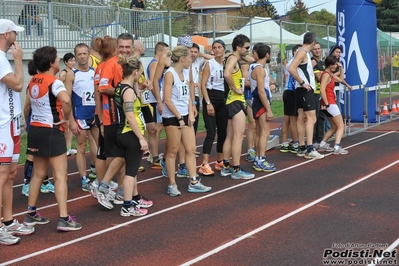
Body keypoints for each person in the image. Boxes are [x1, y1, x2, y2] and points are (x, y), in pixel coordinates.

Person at [24, 46, 82, 231]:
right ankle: (64, 218)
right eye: (56, 58)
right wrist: (66, 118)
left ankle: (31, 213)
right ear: (51, 62)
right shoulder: (54, 82)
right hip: (52, 131)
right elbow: (66, 100)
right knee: (60, 175)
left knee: (38, 175)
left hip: (36, 130)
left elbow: (27, 106)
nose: (59, 60)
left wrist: (29, 123)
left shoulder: (33, 80)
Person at [0, 19, 34, 246]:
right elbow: (19, 85)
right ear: (5, 34)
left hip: (10, 123)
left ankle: (9, 221)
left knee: (12, 173)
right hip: (1, 124)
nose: (16, 36)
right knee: (2, 175)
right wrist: (19, 61)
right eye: (14, 32)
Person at [94, 33, 136, 209]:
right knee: (120, 155)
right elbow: (102, 88)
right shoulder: (110, 64)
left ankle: (119, 191)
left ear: (132, 48)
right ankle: (103, 187)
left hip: (126, 116)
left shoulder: (130, 64)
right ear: (116, 48)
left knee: (122, 156)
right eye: (122, 47)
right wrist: (124, 91)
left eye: (128, 47)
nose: (125, 50)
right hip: (112, 116)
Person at [163, 46, 211, 196]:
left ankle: (194, 181)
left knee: (190, 149)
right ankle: (172, 184)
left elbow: (189, 95)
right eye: (189, 57)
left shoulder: (186, 71)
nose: (192, 60)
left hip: (185, 114)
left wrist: (190, 112)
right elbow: (168, 100)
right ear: (182, 59)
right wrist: (178, 117)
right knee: (173, 152)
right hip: (172, 116)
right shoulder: (169, 74)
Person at [114, 55, 152, 216]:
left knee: (132, 170)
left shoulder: (121, 87)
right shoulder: (128, 92)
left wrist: (137, 84)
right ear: (135, 72)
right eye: (140, 73)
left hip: (123, 132)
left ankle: (133, 200)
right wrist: (141, 138)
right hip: (130, 134)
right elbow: (130, 115)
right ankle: (127, 206)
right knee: (131, 172)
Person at [220, 34, 255, 180]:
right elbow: (227, 74)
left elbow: (252, 60)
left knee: (230, 135)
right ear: (238, 47)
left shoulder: (233, 57)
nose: (248, 50)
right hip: (235, 100)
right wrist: (235, 88)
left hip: (231, 101)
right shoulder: (233, 59)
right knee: (239, 136)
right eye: (246, 47)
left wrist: (239, 53)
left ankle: (226, 166)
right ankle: (236, 169)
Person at [65, 43, 98, 192]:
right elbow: (67, 98)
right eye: (79, 54)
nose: (82, 56)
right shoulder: (72, 73)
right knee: (81, 147)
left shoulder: (95, 72)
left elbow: (98, 95)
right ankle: (84, 178)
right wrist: (71, 120)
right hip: (80, 116)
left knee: (98, 145)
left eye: (85, 53)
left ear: (89, 54)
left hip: (95, 115)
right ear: (75, 56)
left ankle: (98, 174)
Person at [288, 32, 324, 160]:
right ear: (313, 42)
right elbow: (291, 68)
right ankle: (309, 148)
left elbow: (291, 66)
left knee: (302, 117)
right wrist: (303, 82)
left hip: (301, 89)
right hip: (304, 89)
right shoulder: (302, 52)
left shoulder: (302, 52)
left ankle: (302, 147)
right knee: (311, 118)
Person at [22, 60, 55, 197]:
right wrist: (26, 122)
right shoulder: (33, 84)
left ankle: (44, 181)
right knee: (32, 154)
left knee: (43, 154)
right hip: (35, 122)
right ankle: (26, 183)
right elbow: (27, 106)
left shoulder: (44, 82)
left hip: (44, 123)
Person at [199, 40, 227, 176]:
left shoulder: (228, 63)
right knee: (211, 132)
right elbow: (203, 84)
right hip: (211, 96)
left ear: (224, 49)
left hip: (224, 98)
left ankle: (219, 161)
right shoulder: (210, 64)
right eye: (214, 48)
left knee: (223, 132)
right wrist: (208, 102)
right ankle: (204, 164)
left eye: (219, 47)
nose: (217, 50)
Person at [248, 43, 276, 172]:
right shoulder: (259, 69)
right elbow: (260, 91)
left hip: (257, 102)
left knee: (260, 132)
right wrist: (268, 109)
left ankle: (258, 158)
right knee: (265, 132)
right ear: (267, 55)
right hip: (260, 102)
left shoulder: (254, 66)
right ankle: (261, 159)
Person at [319, 55, 350, 155]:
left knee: (334, 127)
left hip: (329, 104)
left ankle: (323, 144)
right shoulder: (326, 75)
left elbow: (341, 79)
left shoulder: (330, 74)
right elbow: (322, 89)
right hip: (330, 103)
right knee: (341, 126)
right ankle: (336, 147)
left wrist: (341, 67)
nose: (334, 66)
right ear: (328, 64)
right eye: (333, 64)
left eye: (335, 64)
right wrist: (327, 103)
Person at [146, 42, 169, 170]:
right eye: (166, 52)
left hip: (158, 99)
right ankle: (153, 155)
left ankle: (153, 154)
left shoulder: (158, 64)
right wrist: (159, 101)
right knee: (157, 128)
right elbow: (154, 83)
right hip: (156, 100)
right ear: (159, 52)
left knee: (158, 128)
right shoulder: (155, 64)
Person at [280, 44, 300, 154]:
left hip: (287, 91)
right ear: (293, 52)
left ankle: (284, 143)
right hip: (292, 92)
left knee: (287, 119)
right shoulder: (294, 63)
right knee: (293, 120)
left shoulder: (288, 63)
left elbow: (284, 79)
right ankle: (295, 142)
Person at [311, 41, 329, 150]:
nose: (317, 50)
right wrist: (326, 75)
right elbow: (320, 77)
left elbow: (327, 76)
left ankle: (320, 139)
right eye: (315, 49)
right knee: (315, 118)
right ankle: (313, 141)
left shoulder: (322, 63)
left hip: (322, 93)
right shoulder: (313, 62)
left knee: (322, 117)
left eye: (318, 48)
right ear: (312, 51)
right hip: (315, 93)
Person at [59, 53, 77, 157]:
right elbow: (59, 82)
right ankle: (64, 148)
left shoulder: (74, 72)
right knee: (67, 125)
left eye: (74, 60)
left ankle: (68, 148)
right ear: (65, 62)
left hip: (72, 100)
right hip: (65, 101)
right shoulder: (64, 73)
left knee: (70, 126)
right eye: (70, 60)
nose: (73, 63)